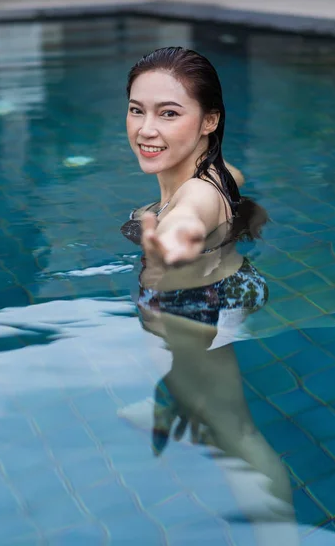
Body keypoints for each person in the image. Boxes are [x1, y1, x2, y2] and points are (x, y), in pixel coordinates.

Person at [120, 47, 294, 514]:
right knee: (184, 373)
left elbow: (190, 219)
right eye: (137, 110)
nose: (146, 129)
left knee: (234, 432)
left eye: (169, 113)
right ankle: (175, 407)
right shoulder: (215, 172)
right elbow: (228, 182)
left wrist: (178, 240)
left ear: (209, 120)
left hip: (199, 306)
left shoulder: (193, 196)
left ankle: (278, 533)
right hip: (224, 289)